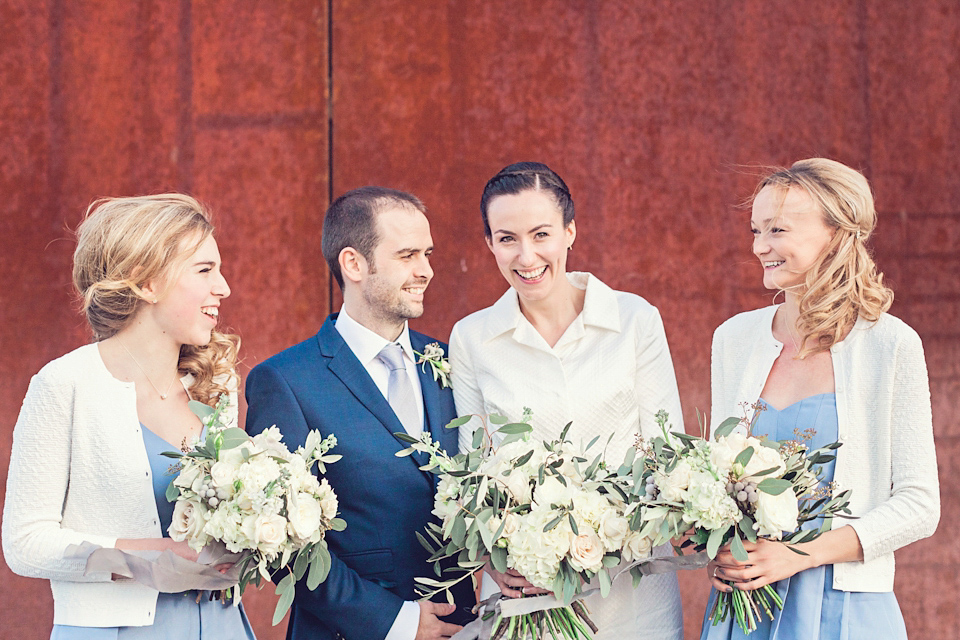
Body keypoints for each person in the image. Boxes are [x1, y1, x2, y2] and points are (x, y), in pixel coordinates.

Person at [702, 158, 940, 639]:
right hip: (744, 610)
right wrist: (714, 544)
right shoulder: (733, 339)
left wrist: (797, 555)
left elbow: (918, 504)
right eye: (756, 229)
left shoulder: (889, 345)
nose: (759, 246)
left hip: (845, 610)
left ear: (836, 233)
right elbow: (715, 477)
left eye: (777, 229)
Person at [450, 162, 685, 640]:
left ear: (570, 232)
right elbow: (472, 471)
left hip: (635, 591)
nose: (526, 255)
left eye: (541, 234)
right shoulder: (472, 337)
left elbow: (668, 452)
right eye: (507, 238)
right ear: (489, 244)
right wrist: (491, 560)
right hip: (529, 594)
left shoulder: (635, 319)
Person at [2, 195, 254, 639]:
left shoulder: (215, 386)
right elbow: (24, 543)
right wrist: (145, 558)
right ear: (147, 283)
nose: (224, 287)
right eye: (204, 270)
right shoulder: (64, 385)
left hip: (219, 625)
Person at [245, 186, 475, 640]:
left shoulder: (453, 364)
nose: (426, 270)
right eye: (407, 255)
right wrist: (397, 621)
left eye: (427, 253)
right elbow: (280, 544)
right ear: (353, 263)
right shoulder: (285, 381)